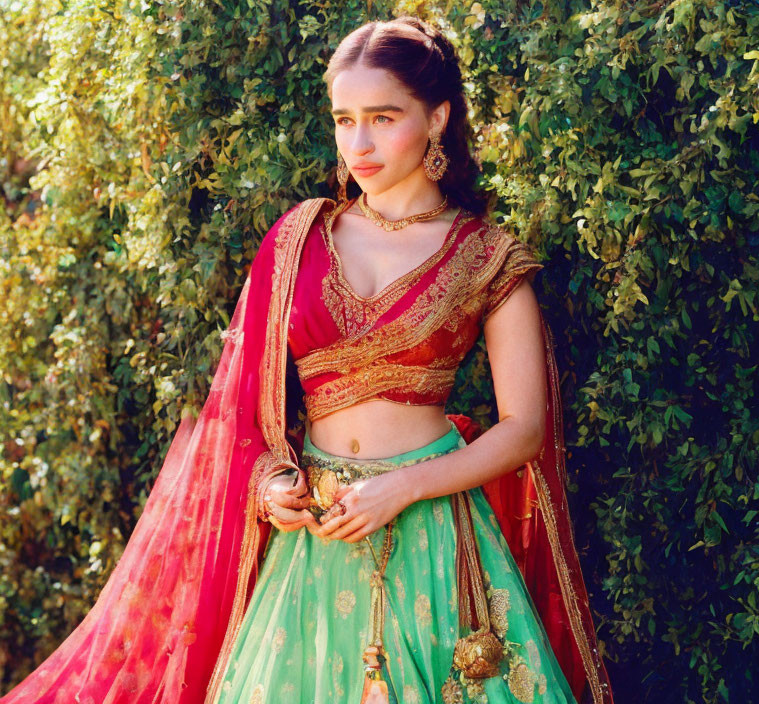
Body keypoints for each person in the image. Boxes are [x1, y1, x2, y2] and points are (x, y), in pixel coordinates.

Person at [1, 16, 614, 704]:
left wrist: (405, 487)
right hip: (316, 540)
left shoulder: (487, 257)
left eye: (383, 118)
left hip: (436, 538)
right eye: (344, 119)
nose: (360, 143)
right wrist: (267, 484)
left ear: (438, 117)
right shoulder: (299, 239)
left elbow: (524, 429)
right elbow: (233, 410)